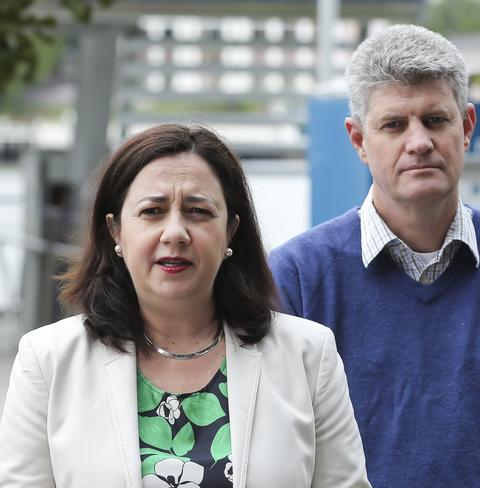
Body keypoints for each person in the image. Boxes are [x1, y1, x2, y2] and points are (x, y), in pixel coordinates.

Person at [269, 24, 480, 487]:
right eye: (394, 124)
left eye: (435, 120)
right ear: (359, 141)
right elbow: (280, 461)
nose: (418, 141)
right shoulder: (295, 278)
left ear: (465, 128)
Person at [0, 124, 371, 488]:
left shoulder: (308, 355)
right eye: (152, 211)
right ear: (115, 231)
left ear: (230, 231)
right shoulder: (46, 361)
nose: (175, 232)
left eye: (198, 211)